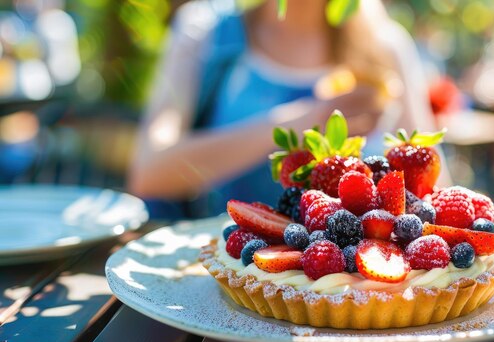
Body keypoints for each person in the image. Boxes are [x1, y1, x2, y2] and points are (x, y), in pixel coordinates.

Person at [127, 0, 443, 219]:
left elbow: (433, 191)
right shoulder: (206, 30)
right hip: (221, 285)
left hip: (354, 291)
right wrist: (302, 123)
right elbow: (149, 172)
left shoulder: (386, 48)